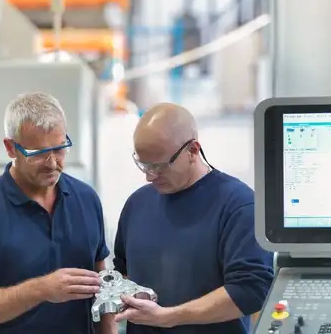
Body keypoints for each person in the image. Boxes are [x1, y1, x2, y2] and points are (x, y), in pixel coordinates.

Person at [0, 92, 116, 334]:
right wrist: (41, 290)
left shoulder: (86, 198)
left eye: (60, 149)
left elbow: (102, 286)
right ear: (11, 148)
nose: (52, 163)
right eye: (38, 154)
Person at [112, 103, 274, 334]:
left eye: (159, 166)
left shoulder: (239, 205)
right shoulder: (137, 204)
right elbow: (123, 272)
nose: (149, 176)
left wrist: (168, 317)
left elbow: (250, 290)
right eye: (143, 164)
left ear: (193, 150)